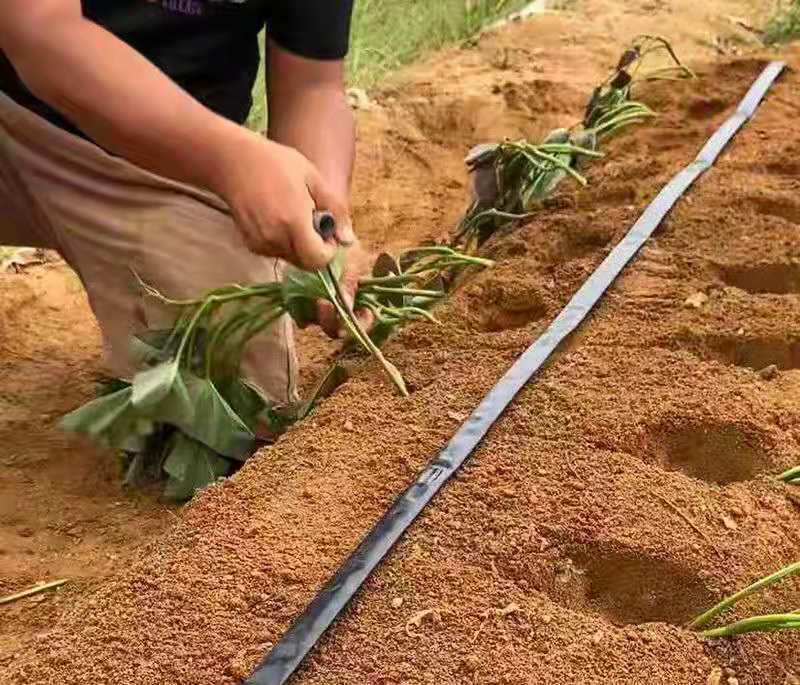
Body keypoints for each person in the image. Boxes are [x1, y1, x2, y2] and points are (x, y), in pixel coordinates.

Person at [0, 1, 368, 406]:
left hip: (166, 154)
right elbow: (38, 28)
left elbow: (312, 85)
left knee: (231, 397)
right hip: (13, 98)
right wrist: (229, 159)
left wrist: (324, 217)